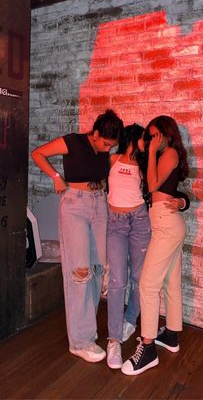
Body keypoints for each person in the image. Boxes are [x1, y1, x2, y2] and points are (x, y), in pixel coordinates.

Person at [31, 109, 123, 364]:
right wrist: (55, 177)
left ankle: (87, 333)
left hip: (99, 204)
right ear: (95, 134)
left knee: (96, 270)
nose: (107, 150)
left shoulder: (107, 150)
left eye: (111, 146)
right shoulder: (73, 141)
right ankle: (80, 342)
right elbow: (37, 153)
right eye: (105, 144)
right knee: (79, 272)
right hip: (75, 206)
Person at [106, 123, 189, 370]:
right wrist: (183, 201)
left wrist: (184, 201)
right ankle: (171, 335)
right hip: (162, 222)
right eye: (148, 137)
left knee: (146, 285)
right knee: (170, 282)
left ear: (165, 134)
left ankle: (148, 348)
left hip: (163, 223)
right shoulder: (156, 157)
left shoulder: (166, 153)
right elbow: (166, 188)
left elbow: (154, 187)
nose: (150, 140)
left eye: (154, 135)